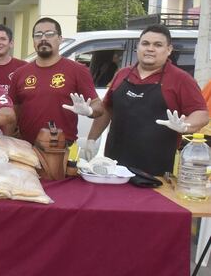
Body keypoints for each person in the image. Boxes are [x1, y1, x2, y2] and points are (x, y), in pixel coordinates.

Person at [81, 25, 208, 174]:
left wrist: (185, 126)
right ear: (138, 47)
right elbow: (107, 108)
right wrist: (91, 139)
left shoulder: (181, 79)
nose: (150, 49)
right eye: (145, 43)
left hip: (157, 170)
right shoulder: (123, 74)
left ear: (169, 50)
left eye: (158, 45)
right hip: (115, 166)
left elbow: (201, 114)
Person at [8, 17, 103, 145]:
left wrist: (89, 111)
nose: (43, 39)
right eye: (38, 35)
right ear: (33, 41)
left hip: (61, 149)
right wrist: (8, 139)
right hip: (26, 147)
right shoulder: (20, 73)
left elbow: (99, 106)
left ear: (60, 39)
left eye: (49, 34)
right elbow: (12, 112)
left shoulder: (77, 70)